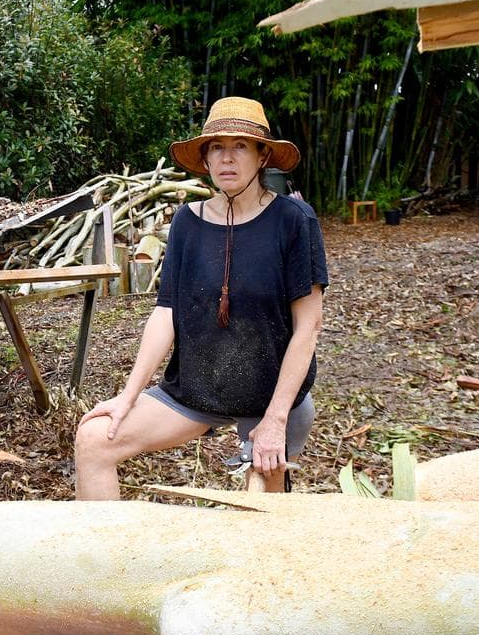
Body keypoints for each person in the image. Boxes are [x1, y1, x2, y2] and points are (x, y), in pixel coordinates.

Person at [75, 97, 328, 500]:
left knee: (260, 507)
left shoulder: (294, 221)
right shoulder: (187, 222)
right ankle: (102, 559)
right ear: (205, 159)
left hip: (271, 399)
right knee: (94, 439)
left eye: (240, 146)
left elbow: (307, 329)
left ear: (263, 156)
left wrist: (276, 421)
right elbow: (165, 313)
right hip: (197, 390)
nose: (227, 158)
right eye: (216, 147)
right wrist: (128, 396)